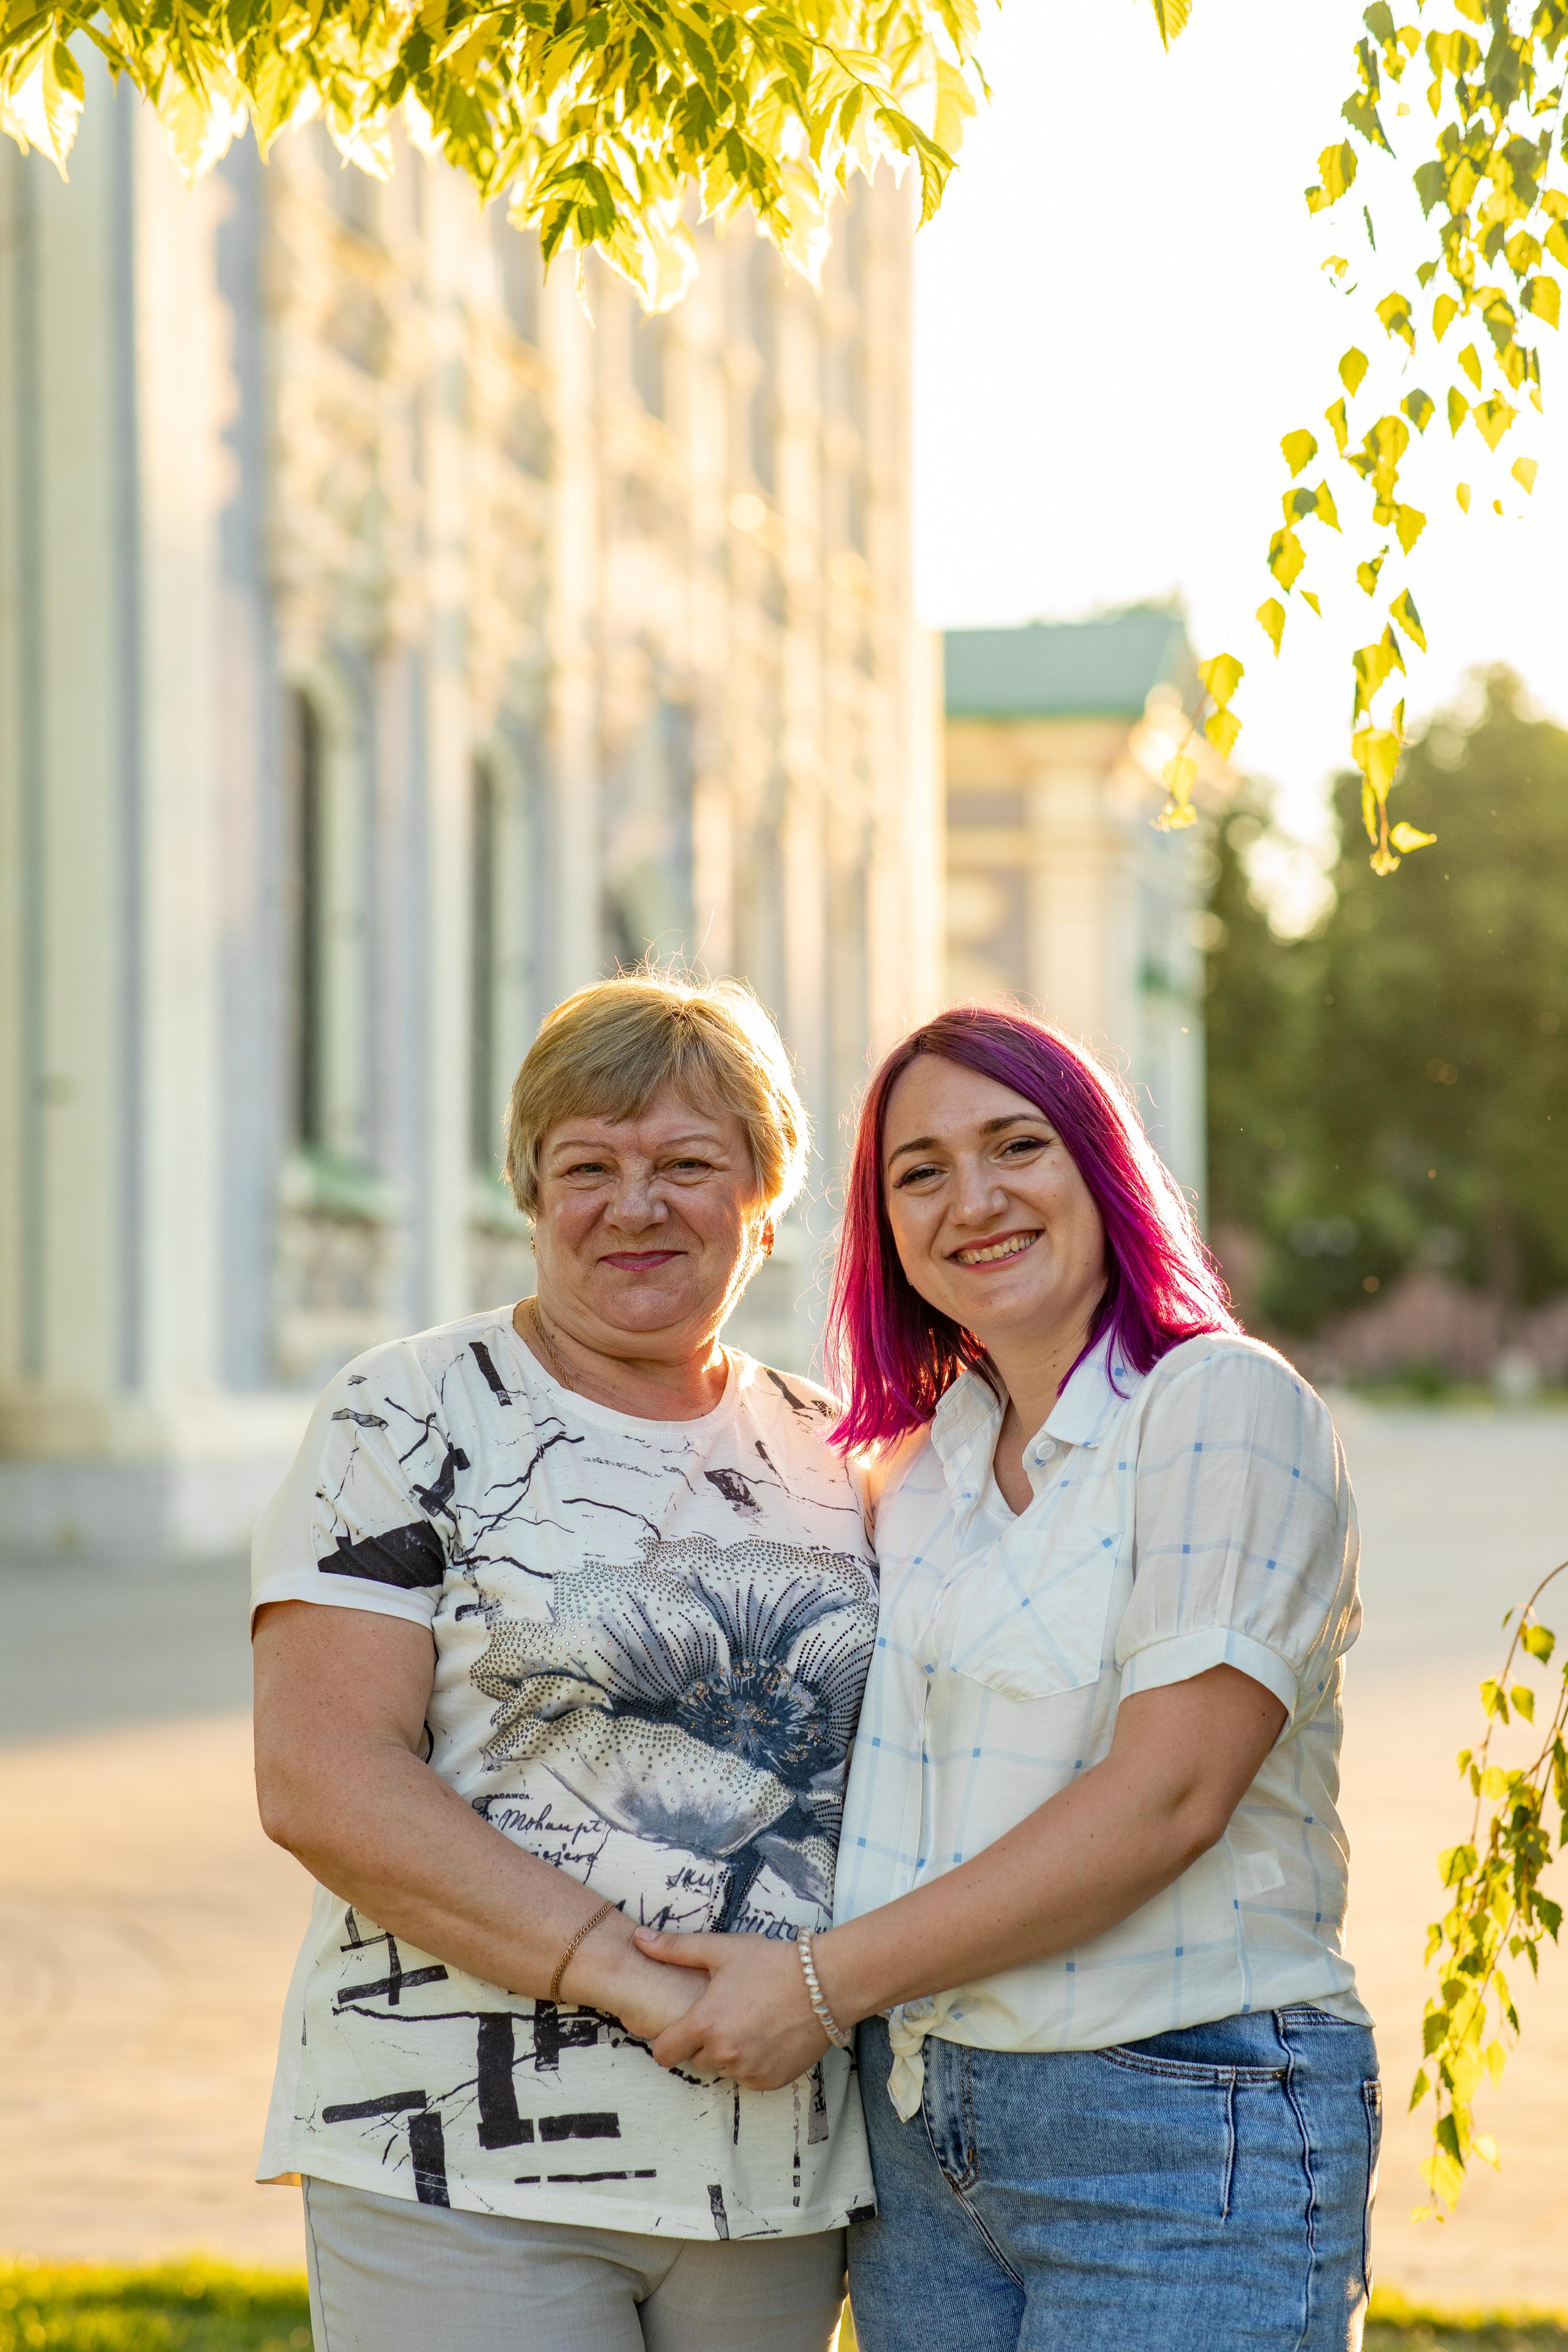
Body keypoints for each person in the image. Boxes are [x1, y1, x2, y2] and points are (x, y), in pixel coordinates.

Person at [631, 1004, 1377, 2352]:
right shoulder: (915, 1471)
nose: (971, 1199)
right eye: (918, 1171)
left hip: (1173, 2116)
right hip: (918, 2138)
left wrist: (813, 1984)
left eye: (1014, 1145)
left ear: (1099, 1168)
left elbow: (1168, 1800)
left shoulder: (1217, 1406)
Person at [250, 973, 878, 2352]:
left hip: (770, 2166)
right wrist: (628, 1977)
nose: (634, 1205)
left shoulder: (842, 1455)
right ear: (530, 1194)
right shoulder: (403, 1415)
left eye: (686, 1165)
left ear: (765, 1199)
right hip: (455, 2156)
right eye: (586, 1166)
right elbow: (323, 1777)